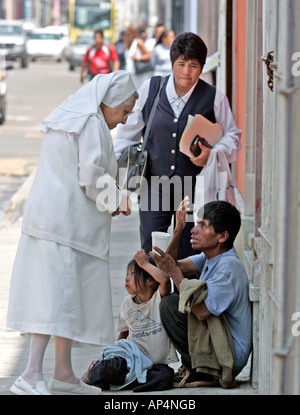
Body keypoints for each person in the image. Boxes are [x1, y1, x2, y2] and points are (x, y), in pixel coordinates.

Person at [6, 71, 138, 395]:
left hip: (55, 221)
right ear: (109, 102)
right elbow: (91, 175)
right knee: (53, 301)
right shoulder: (91, 122)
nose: (123, 121)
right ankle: (31, 373)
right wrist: (117, 200)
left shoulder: (73, 113)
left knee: (63, 299)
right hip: (63, 225)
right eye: (124, 112)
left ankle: (62, 374)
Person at [113, 32, 242, 262]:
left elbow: (233, 137)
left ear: (202, 68)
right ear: (172, 63)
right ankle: (155, 298)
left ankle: (183, 298)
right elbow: (126, 135)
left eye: (193, 65)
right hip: (154, 187)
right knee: (153, 252)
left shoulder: (214, 97)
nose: (186, 72)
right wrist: (119, 182)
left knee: (190, 254)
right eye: (181, 64)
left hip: (195, 190)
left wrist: (212, 154)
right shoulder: (150, 89)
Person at [150, 199, 252, 388]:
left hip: (228, 356)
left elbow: (202, 312)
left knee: (171, 305)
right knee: (173, 298)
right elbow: (170, 265)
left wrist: (173, 271)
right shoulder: (210, 255)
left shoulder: (228, 266)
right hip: (218, 341)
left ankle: (205, 371)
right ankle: (200, 367)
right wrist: (178, 229)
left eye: (203, 225)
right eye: (196, 224)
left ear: (222, 236)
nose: (194, 230)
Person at [82, 252, 178, 391]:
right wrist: (114, 357)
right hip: (130, 361)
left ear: (150, 280)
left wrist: (145, 264)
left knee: (164, 376)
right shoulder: (127, 304)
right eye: (127, 274)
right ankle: (94, 369)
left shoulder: (159, 299)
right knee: (111, 366)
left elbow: (164, 280)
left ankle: (128, 382)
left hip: (155, 365)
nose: (127, 278)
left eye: (132, 274)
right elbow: (123, 336)